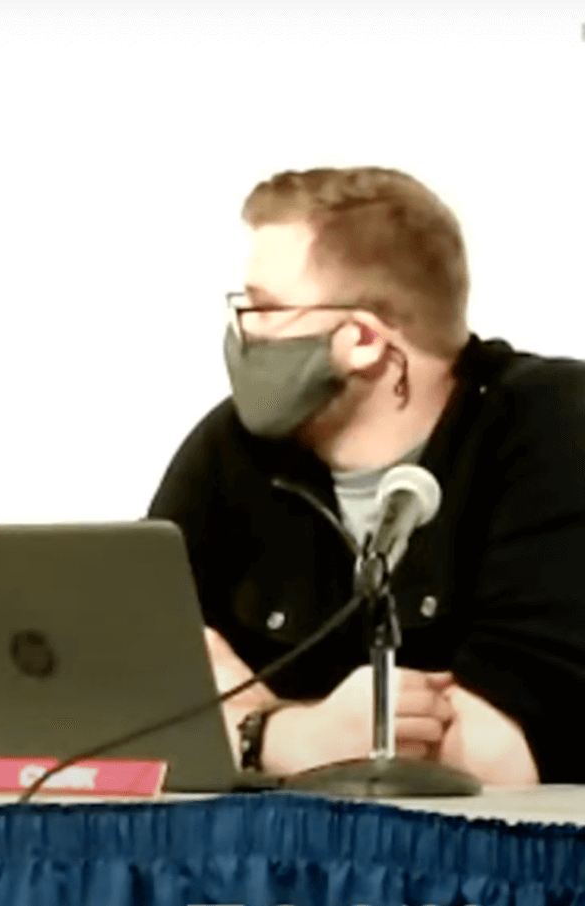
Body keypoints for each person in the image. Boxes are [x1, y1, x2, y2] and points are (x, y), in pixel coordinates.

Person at [151, 166, 585, 785]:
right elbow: (129, 702)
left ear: (361, 338)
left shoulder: (552, 426)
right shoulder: (234, 447)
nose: (241, 331)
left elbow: (505, 752)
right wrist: (289, 734)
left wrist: (241, 715)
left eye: (263, 308)